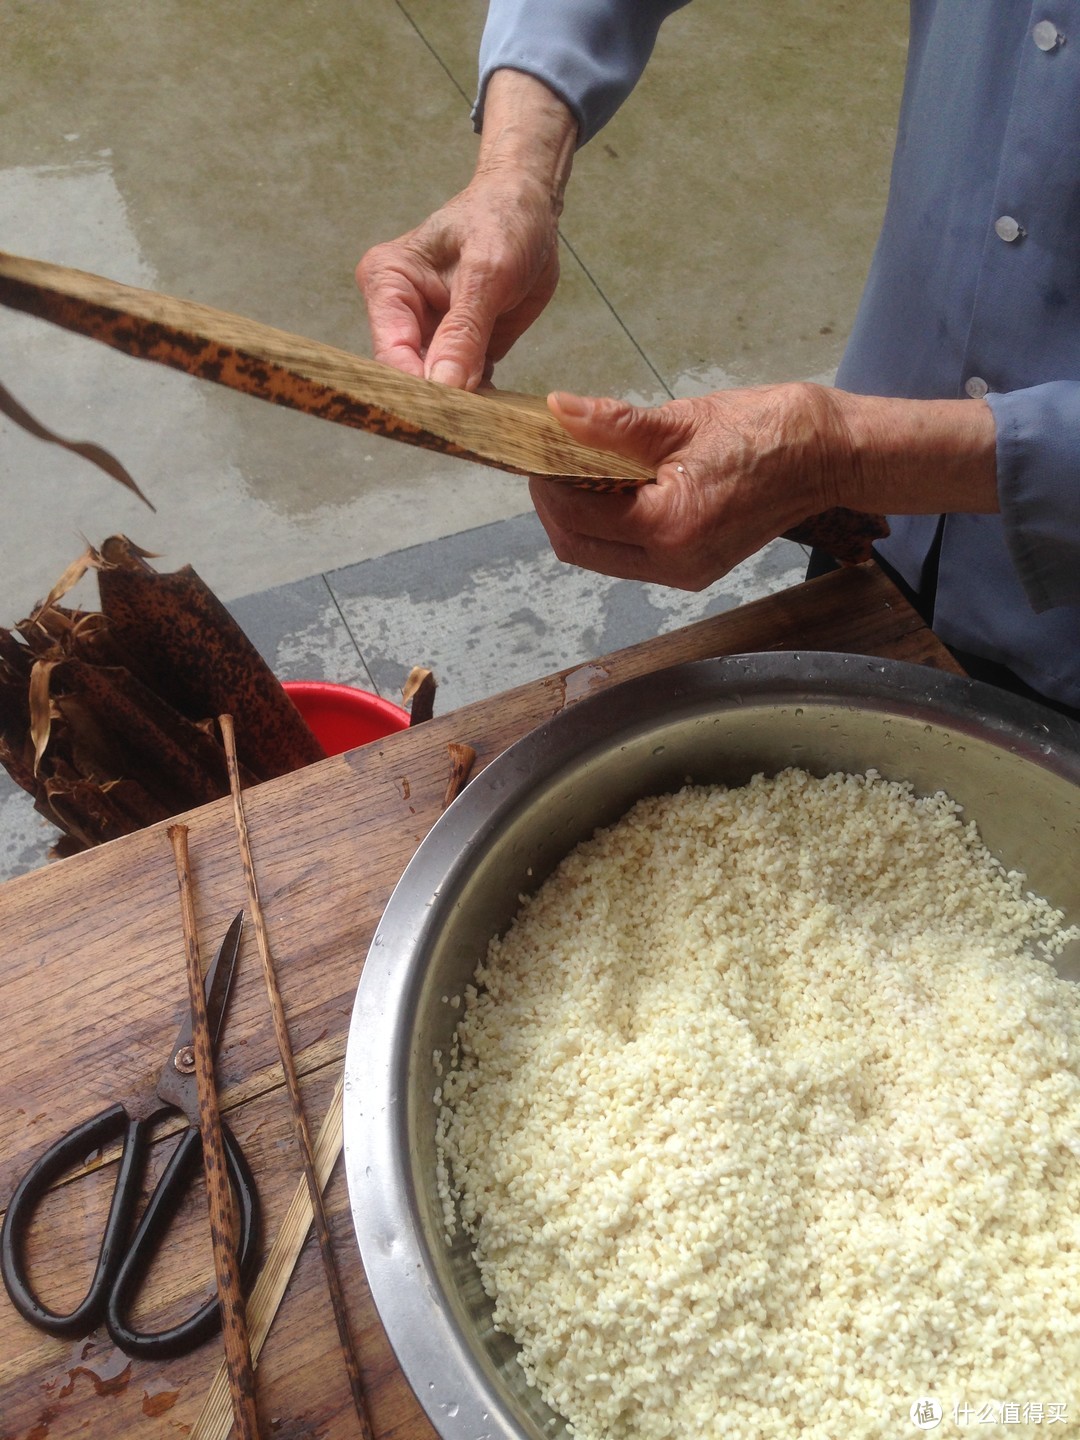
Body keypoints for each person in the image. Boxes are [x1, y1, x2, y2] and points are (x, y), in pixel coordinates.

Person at [357, 2, 1080, 719]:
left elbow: (839, 454)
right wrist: (517, 174)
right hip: (887, 535)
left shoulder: (833, 458)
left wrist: (843, 451)